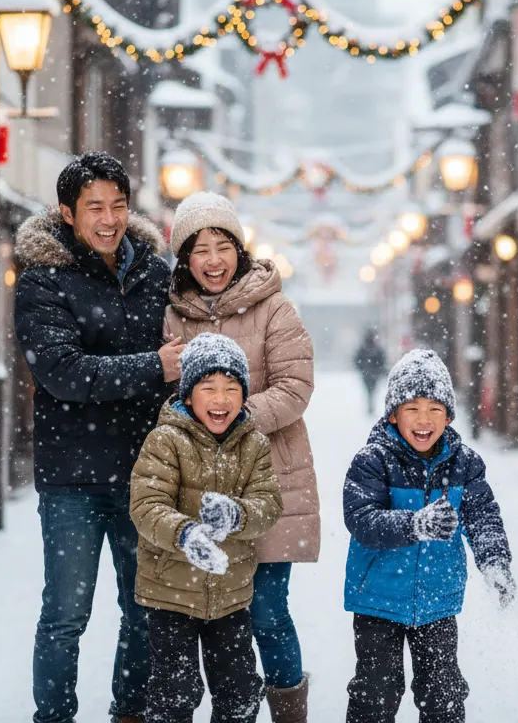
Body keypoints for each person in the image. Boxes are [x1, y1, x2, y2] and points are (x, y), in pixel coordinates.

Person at [14, 151, 184, 723]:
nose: (108, 219)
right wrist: (152, 368)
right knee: (66, 612)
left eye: (117, 205)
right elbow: (61, 373)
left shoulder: (156, 274)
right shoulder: (43, 280)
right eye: (94, 208)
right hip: (73, 478)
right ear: (67, 213)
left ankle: (130, 711)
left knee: (144, 608)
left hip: (147, 474)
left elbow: (215, 301)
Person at [164, 192, 319, 722]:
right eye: (199, 248)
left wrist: (235, 412)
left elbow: (296, 386)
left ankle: (289, 713)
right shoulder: (173, 317)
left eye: (222, 245)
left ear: (239, 250)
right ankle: (233, 710)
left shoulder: (274, 306)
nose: (212, 259)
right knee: (213, 618)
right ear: (185, 259)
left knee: (268, 613)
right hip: (198, 492)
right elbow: (165, 399)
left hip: (267, 482)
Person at [342, 349, 516, 723]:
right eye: (413, 409)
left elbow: (483, 515)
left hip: (438, 601)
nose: (424, 420)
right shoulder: (373, 459)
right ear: (393, 414)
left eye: (435, 409)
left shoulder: (464, 464)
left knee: (444, 694)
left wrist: (494, 561)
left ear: (449, 416)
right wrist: (414, 525)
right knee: (376, 694)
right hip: (378, 600)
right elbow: (362, 520)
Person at [130, 332, 283, 723]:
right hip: (169, 595)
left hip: (230, 595)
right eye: (209, 387)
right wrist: (185, 533)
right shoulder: (165, 440)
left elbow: (269, 503)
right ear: (187, 394)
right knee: (174, 692)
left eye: (232, 388)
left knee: (239, 690)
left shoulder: (254, 444)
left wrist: (237, 515)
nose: (221, 399)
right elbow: (147, 506)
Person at [354, 328, 386, 416]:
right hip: (373, 373)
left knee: (369, 391)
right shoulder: (376, 348)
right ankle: (371, 406)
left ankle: (370, 406)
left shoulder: (364, 348)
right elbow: (382, 360)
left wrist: (362, 368)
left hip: (367, 373)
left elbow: (357, 360)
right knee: (372, 390)